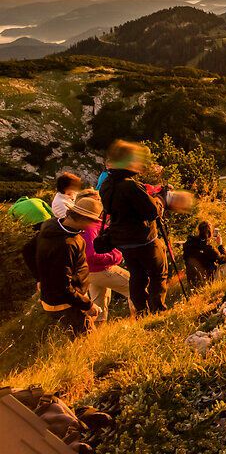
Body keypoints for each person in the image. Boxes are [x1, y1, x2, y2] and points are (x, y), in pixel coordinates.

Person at [100, 141, 167, 316]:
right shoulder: (130, 186)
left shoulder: (107, 185)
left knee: (137, 275)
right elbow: (152, 212)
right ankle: (157, 310)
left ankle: (141, 311)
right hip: (143, 239)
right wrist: (160, 199)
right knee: (158, 274)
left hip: (124, 241)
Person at [31, 195, 103, 338]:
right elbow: (63, 286)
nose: (93, 225)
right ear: (84, 219)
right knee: (87, 340)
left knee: (78, 337)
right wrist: (87, 305)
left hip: (57, 297)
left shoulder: (51, 225)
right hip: (66, 303)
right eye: (93, 221)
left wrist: (39, 277)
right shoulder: (67, 244)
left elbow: (28, 249)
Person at [72, 190, 130, 321]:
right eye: (96, 200)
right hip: (101, 269)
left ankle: (96, 333)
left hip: (89, 272)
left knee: (99, 302)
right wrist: (116, 256)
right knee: (135, 287)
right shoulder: (89, 226)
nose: (100, 203)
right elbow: (90, 255)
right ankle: (142, 318)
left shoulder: (81, 223)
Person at [182, 221, 226, 288]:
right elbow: (223, 259)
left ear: (199, 231)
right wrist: (220, 245)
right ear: (210, 233)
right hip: (208, 281)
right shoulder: (208, 248)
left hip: (192, 281)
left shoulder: (190, 243)